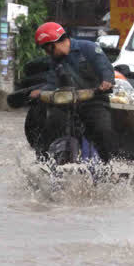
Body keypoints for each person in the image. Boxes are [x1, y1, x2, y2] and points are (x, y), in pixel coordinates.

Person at [29, 22, 119, 162]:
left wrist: (106, 81)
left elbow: (104, 67)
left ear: (55, 43)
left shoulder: (88, 48)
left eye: (47, 49)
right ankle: (45, 161)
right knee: (49, 126)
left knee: (102, 130)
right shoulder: (54, 61)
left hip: (94, 100)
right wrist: (41, 92)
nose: (47, 53)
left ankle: (109, 165)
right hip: (67, 103)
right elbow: (52, 83)